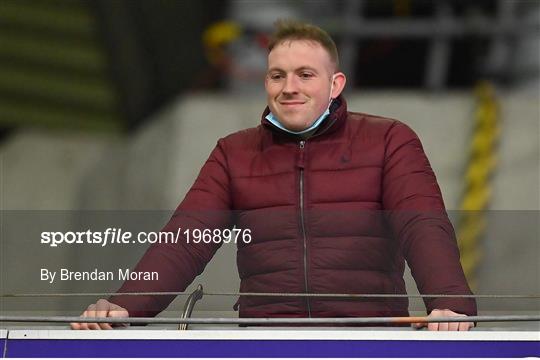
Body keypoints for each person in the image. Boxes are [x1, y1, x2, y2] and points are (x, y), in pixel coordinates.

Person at [71, 20, 476, 331]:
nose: (289, 87)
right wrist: (126, 305)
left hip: (368, 339)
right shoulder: (234, 152)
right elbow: (186, 238)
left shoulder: (389, 139)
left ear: (335, 84)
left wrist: (450, 302)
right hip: (265, 340)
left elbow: (423, 224)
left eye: (305, 74)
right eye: (277, 75)